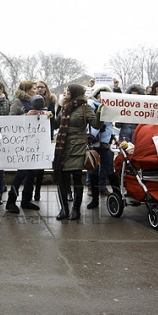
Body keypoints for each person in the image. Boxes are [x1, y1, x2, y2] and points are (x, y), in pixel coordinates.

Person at [53, 84, 99, 220]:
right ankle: (64, 209)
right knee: (62, 179)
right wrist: (50, 116)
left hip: (78, 147)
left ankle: (76, 210)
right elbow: (56, 124)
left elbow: (96, 124)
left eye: (67, 91)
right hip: (62, 147)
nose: (65, 92)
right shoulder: (65, 107)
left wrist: (102, 113)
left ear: (74, 93)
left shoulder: (85, 107)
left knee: (77, 177)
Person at [6, 80, 40, 213]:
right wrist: (26, 115)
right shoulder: (18, 101)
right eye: (34, 88)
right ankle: (11, 201)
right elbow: (11, 119)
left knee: (32, 172)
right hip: (22, 142)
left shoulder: (33, 101)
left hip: (32, 141)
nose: (36, 90)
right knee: (22, 173)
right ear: (27, 90)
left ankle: (26, 200)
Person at [87, 85, 115, 207]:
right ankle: (94, 199)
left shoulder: (111, 108)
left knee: (109, 169)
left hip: (106, 142)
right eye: (100, 93)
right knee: (93, 170)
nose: (102, 96)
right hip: (94, 143)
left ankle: (117, 194)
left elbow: (112, 125)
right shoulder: (91, 107)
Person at [33, 80, 58, 202]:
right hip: (33, 134)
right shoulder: (31, 100)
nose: (39, 89)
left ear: (46, 88)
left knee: (41, 165)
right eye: (37, 87)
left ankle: (37, 191)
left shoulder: (51, 101)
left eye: (41, 87)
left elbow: (54, 118)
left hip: (45, 134)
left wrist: (49, 115)